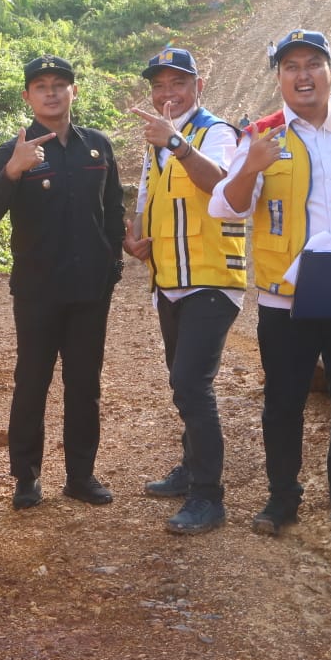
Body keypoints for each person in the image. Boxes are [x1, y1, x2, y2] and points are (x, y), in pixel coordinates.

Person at [210, 29, 331, 536]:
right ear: (280, 79)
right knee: (283, 402)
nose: (303, 75)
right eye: (291, 67)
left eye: (313, 63)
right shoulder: (261, 135)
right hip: (284, 297)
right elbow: (226, 206)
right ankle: (281, 500)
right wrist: (251, 168)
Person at [0, 55, 125, 510]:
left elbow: (113, 211)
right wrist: (14, 170)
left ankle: (81, 475)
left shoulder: (97, 146)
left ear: (73, 92)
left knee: (85, 384)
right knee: (32, 381)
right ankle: (26, 478)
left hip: (89, 290)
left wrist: (113, 266)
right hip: (37, 289)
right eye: (41, 86)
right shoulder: (14, 149)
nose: (51, 92)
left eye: (59, 84)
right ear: (28, 97)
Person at [122, 47, 243, 535]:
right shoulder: (156, 142)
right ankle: (192, 467)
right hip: (170, 281)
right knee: (182, 380)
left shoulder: (217, 132)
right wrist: (136, 237)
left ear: (198, 87)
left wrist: (177, 142)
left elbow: (222, 186)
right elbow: (150, 198)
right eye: (159, 85)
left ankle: (208, 496)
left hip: (212, 278)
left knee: (192, 383)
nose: (167, 93)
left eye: (178, 83)